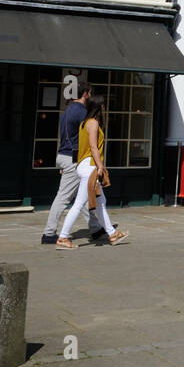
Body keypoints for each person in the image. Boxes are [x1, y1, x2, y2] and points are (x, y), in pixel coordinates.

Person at [57, 95, 128, 248]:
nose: (104, 108)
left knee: (101, 202)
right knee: (78, 204)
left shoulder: (84, 124)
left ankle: (112, 234)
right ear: (99, 107)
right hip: (90, 166)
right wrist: (100, 166)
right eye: (103, 105)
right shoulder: (93, 123)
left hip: (84, 165)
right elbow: (94, 147)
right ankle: (62, 238)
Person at [41, 84, 104, 245]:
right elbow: (88, 137)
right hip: (73, 158)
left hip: (65, 155)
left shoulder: (67, 111)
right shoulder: (82, 112)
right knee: (63, 197)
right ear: (85, 94)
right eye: (90, 93)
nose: (91, 96)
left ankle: (96, 228)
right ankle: (49, 234)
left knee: (82, 194)